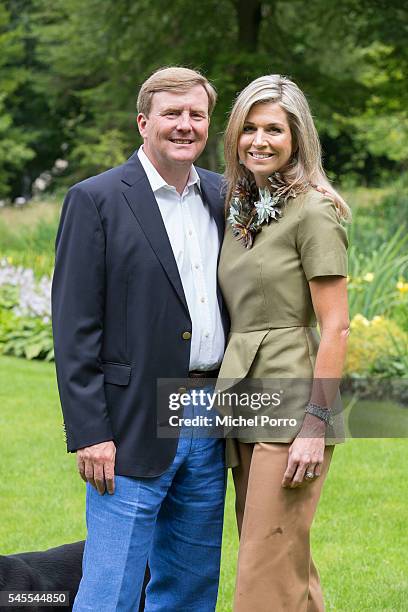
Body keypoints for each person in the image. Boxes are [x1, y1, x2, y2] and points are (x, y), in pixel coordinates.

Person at [52, 67, 229, 611]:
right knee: (111, 587)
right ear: (143, 122)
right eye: (172, 114)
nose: (185, 125)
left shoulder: (224, 197)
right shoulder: (96, 199)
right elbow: (74, 325)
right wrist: (89, 433)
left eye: (196, 114)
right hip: (130, 419)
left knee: (191, 584)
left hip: (212, 410)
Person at [217, 74, 350, 611]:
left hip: (293, 402)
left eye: (274, 128)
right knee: (280, 556)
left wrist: (314, 427)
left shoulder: (314, 210)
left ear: (298, 136)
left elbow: (337, 324)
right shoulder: (243, 207)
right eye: (248, 127)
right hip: (245, 394)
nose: (259, 140)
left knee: (262, 574)